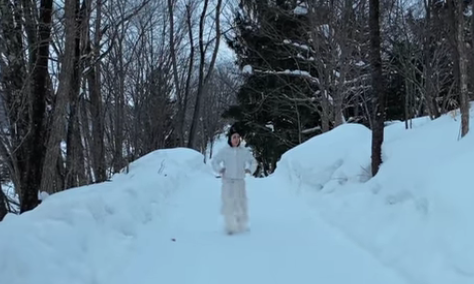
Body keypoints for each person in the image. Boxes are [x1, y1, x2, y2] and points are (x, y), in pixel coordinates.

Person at [211, 126, 257, 235]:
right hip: (228, 182)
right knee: (229, 204)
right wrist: (220, 170)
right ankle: (230, 227)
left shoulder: (243, 151)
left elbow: (253, 162)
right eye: (234, 137)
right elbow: (215, 162)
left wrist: (250, 170)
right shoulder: (224, 151)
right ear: (230, 139)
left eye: (238, 137)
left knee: (241, 203)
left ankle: (241, 225)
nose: (236, 139)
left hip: (240, 182)